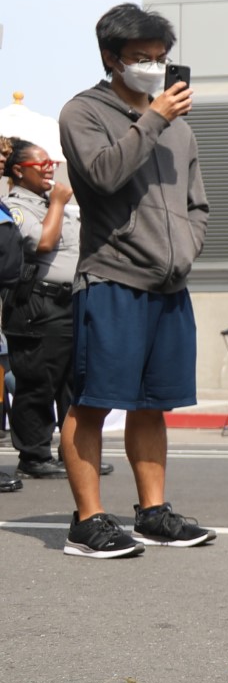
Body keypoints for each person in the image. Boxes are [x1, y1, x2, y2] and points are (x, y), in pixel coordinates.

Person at [57, 4, 213, 558]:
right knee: (94, 400)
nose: (154, 68)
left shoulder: (181, 131)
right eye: (141, 59)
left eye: (161, 58)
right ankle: (88, 520)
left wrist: (188, 248)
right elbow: (101, 175)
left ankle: (152, 513)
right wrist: (154, 120)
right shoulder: (83, 112)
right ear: (110, 59)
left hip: (168, 285)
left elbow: (197, 205)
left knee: (153, 402)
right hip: (112, 279)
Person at [4, 142, 81, 479]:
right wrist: (60, 203)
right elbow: (43, 243)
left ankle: (74, 453)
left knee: (71, 382)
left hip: (70, 300)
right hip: (37, 302)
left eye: (53, 162)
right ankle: (34, 455)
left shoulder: (56, 204)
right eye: (42, 163)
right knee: (38, 380)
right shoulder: (16, 206)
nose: (50, 168)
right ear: (20, 170)